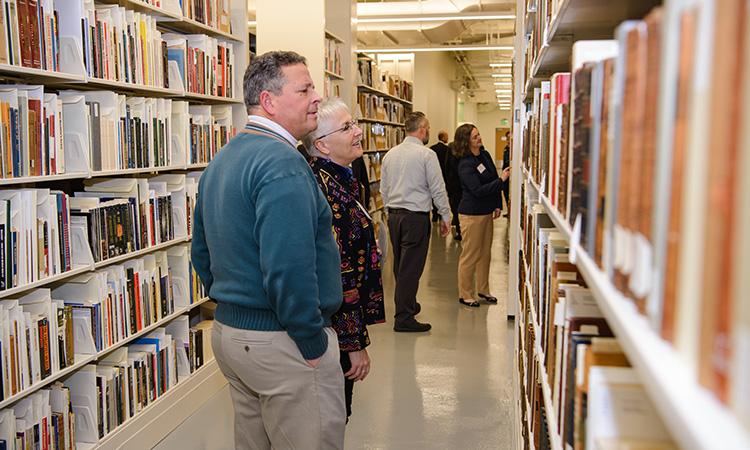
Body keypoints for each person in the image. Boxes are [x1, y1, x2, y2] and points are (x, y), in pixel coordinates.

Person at [191, 51, 346, 450]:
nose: (317, 96)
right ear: (269, 101)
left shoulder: (223, 159)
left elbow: (201, 254)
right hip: (283, 343)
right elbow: (288, 268)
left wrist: (236, 301)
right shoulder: (282, 164)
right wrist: (310, 341)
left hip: (233, 336)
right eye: (305, 88)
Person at [302, 98, 386, 421]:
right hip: (335, 331)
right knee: (332, 417)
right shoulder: (326, 193)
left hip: (337, 328)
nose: (359, 131)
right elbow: (340, 272)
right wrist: (353, 344)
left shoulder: (342, 179)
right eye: (347, 127)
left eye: (354, 123)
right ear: (322, 144)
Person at [380, 111, 451, 332]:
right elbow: (437, 188)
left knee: (401, 265)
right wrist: (446, 215)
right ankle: (404, 318)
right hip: (415, 219)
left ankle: (408, 304)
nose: (428, 131)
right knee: (411, 269)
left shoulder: (389, 155)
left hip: (394, 216)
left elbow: (383, 189)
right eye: (427, 128)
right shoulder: (426, 155)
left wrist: (388, 210)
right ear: (421, 129)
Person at [453, 123, 510, 307]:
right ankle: (465, 293)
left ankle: (483, 289)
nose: (479, 138)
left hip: (487, 212)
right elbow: (477, 190)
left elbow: (493, 178)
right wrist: (501, 181)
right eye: (475, 136)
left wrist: (497, 204)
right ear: (466, 141)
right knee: (470, 254)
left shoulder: (484, 155)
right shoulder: (465, 163)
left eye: (479, 134)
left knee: (485, 253)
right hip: (471, 214)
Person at [444, 141, 464, 241]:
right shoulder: (466, 147)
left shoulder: (451, 147)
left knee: (456, 208)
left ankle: (459, 230)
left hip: (453, 185)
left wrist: (448, 183)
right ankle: (461, 230)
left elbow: (446, 167)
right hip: (461, 185)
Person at [430, 131, 450, 222]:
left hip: (433, 175)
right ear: (443, 138)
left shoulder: (432, 148)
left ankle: (434, 215)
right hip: (444, 175)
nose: (448, 138)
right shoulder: (447, 149)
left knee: (433, 194)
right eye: (447, 136)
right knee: (442, 194)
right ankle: (442, 214)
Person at [501, 131, 511, 217]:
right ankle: (509, 210)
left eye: (510, 138)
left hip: (510, 175)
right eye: (507, 138)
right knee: (505, 193)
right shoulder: (506, 149)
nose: (508, 140)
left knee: (509, 193)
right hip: (505, 175)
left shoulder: (513, 150)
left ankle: (511, 211)